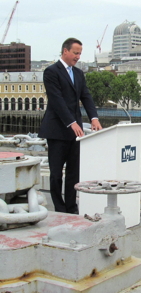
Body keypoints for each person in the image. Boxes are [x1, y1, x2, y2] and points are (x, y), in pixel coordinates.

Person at [39, 38, 102, 214]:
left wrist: (94, 118)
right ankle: (59, 208)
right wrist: (71, 122)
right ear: (65, 51)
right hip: (57, 130)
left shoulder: (79, 73)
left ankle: (71, 207)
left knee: (74, 173)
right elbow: (57, 100)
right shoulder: (51, 72)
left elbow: (86, 97)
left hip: (76, 132)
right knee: (56, 174)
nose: (78, 56)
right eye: (75, 53)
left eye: (80, 53)